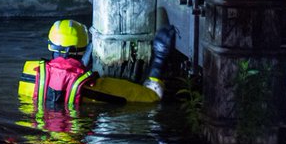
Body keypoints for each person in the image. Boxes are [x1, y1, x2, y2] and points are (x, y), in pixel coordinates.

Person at [18, 20, 175, 108]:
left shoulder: (30, 73)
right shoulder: (97, 86)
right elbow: (152, 97)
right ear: (85, 48)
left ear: (50, 45)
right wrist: (159, 58)